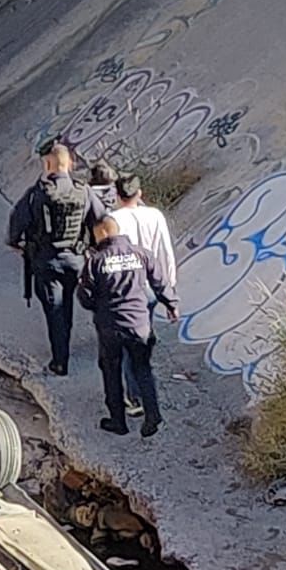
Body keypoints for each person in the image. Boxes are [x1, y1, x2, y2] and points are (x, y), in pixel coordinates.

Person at [5, 142, 106, 375]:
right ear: (69, 164)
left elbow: (16, 223)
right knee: (67, 303)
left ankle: (60, 361)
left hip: (47, 262)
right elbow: (101, 220)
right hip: (76, 261)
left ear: (48, 164)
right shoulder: (83, 191)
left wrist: (16, 244)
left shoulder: (37, 194)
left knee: (55, 309)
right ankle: (79, 344)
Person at [77, 217, 177, 437]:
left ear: (102, 233)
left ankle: (118, 421)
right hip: (139, 324)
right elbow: (160, 283)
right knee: (142, 369)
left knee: (111, 371)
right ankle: (152, 416)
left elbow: (85, 297)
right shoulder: (141, 254)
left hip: (110, 326)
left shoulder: (96, 261)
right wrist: (172, 305)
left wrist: (99, 307)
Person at [108, 174, 178, 418]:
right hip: (150, 288)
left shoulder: (112, 220)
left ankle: (135, 396)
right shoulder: (155, 216)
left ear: (117, 195)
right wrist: (170, 292)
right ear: (139, 194)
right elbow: (165, 252)